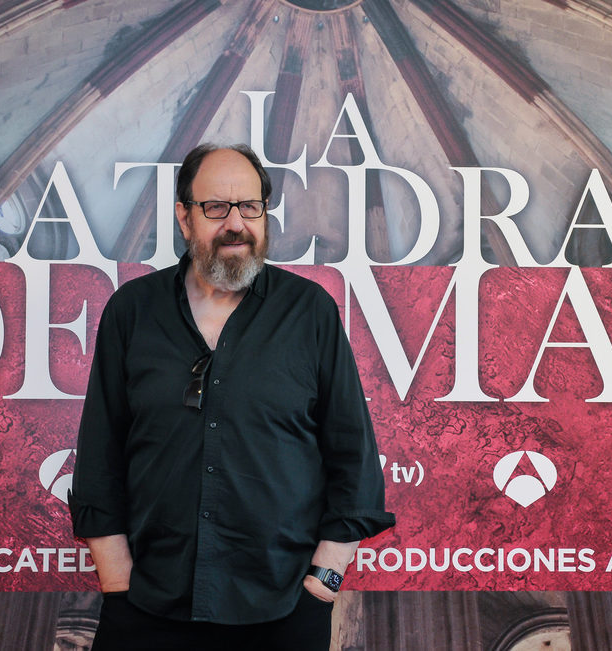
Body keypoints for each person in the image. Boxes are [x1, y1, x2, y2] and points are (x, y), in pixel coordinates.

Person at [68, 143, 395, 650]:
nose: (235, 224)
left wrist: (322, 585)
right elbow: (99, 459)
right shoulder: (132, 312)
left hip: (283, 610)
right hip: (148, 608)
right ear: (184, 217)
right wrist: (118, 586)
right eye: (215, 207)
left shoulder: (310, 313)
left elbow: (355, 463)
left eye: (250, 207)